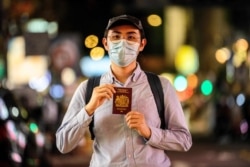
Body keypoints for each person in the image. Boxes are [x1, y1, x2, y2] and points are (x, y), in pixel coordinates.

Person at [56, 14, 192, 167]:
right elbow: (63, 144)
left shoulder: (161, 86)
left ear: (142, 44)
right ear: (106, 43)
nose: (123, 43)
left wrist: (148, 132)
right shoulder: (88, 89)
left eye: (131, 37)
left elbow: (184, 141)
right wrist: (89, 109)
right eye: (116, 36)